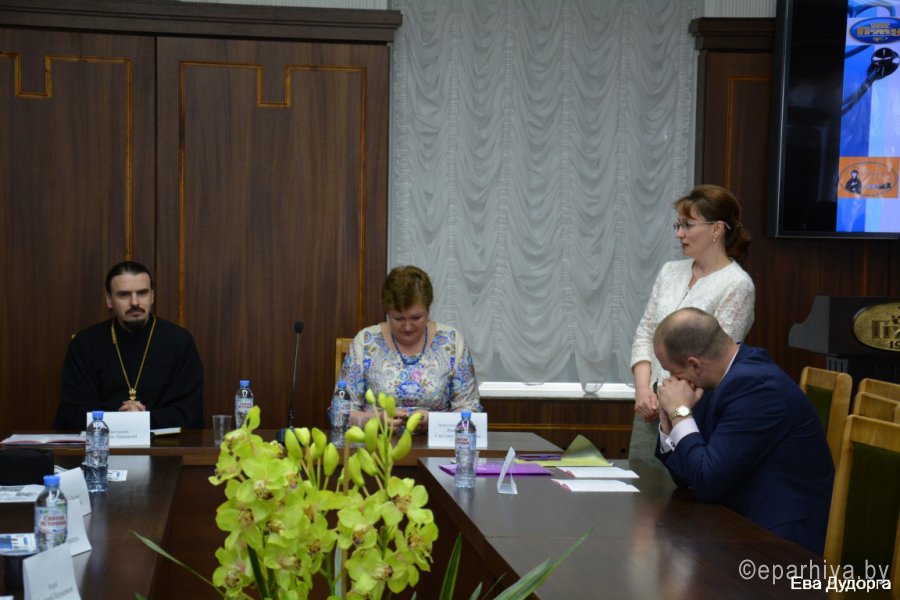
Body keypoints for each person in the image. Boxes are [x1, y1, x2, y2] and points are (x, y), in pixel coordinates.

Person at [653, 308, 834, 555]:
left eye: (673, 372)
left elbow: (706, 482)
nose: (671, 382)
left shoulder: (756, 387)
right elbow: (690, 477)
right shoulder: (717, 379)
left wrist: (679, 412)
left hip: (779, 541)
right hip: (735, 520)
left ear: (694, 365)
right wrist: (668, 420)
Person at [629, 184, 755, 467]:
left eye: (688, 225)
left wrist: (671, 400)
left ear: (716, 229)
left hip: (693, 410)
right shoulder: (670, 271)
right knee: (640, 488)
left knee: (679, 491)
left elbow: (713, 359)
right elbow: (646, 332)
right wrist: (643, 390)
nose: (679, 234)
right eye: (679, 225)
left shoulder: (737, 285)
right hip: (648, 406)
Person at [53, 261, 204, 430]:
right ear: (109, 300)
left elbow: (189, 411)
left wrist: (143, 420)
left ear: (152, 296)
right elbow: (73, 411)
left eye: (142, 293)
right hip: (101, 443)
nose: (135, 302)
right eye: (124, 295)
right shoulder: (85, 344)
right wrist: (121, 419)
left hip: (165, 444)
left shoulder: (179, 341)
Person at [333, 265, 481, 431]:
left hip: (436, 444)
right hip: (377, 443)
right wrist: (376, 420)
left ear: (428, 309)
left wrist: (434, 421)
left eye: (416, 318)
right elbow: (340, 414)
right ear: (387, 311)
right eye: (398, 318)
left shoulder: (451, 342)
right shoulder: (366, 342)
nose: (408, 327)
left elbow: (471, 411)